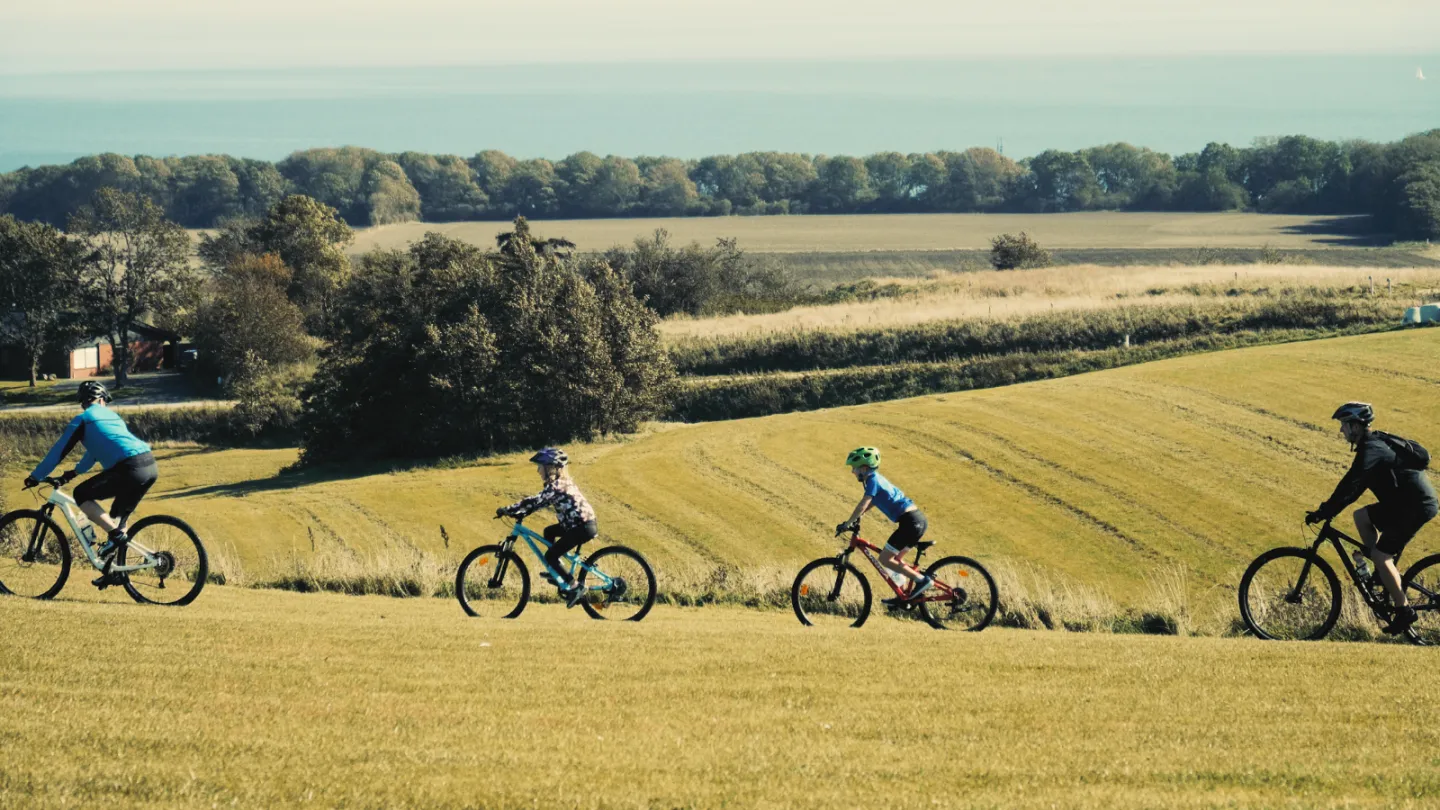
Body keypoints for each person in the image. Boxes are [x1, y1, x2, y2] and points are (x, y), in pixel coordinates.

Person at [1307, 402, 1437, 635]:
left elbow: (1351, 483)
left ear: (1356, 426)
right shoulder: (1371, 445)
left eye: (1344, 425)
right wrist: (1330, 509)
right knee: (1361, 516)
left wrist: (1325, 511)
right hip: (1401, 504)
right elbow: (1355, 490)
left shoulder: (1372, 449)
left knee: (1380, 554)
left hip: (1415, 506)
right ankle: (1380, 575)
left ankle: (1404, 610)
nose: (1341, 431)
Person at [23, 381, 157, 588]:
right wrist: (72, 473)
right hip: (148, 466)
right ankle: (114, 570)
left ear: (83, 403)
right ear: (102, 400)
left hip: (128, 468)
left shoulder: (83, 420)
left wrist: (36, 476)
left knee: (81, 494)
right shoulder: (112, 417)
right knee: (114, 519)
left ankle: (115, 536)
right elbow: (94, 452)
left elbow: (58, 451)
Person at [497, 448, 598, 609]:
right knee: (549, 532)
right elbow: (538, 503)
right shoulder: (560, 484)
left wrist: (509, 509)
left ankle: (575, 586)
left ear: (551, 467)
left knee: (550, 555)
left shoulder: (557, 486)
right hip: (578, 524)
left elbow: (535, 501)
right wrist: (522, 510)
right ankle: (556, 571)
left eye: (540, 466)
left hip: (581, 527)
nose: (538, 470)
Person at [836, 446, 933, 606]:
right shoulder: (876, 480)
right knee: (894, 561)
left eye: (855, 468)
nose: (853, 472)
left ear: (865, 468)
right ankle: (903, 595)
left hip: (910, 522)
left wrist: (848, 522)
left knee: (885, 558)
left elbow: (864, 503)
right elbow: (871, 504)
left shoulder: (872, 480)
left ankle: (922, 581)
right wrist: (856, 519)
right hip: (916, 520)